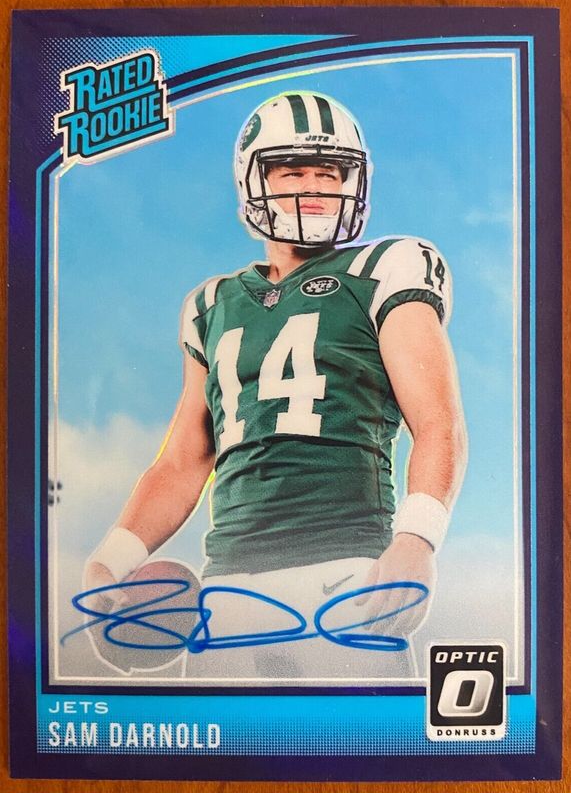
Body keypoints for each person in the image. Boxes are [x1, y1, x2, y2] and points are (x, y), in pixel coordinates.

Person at [84, 91, 467, 683]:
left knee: (361, 744)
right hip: (227, 588)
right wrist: (109, 562)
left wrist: (417, 540)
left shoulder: (383, 269)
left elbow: (439, 423)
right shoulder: (211, 303)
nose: (314, 185)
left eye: (330, 172)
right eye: (293, 170)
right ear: (253, 179)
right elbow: (184, 460)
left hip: (345, 570)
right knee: (225, 745)